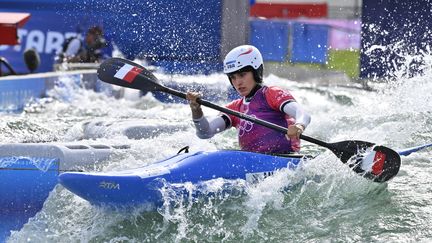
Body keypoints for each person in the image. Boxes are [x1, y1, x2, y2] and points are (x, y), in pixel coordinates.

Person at [186, 45, 311, 154]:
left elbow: (302, 113)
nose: (238, 82)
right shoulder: (234, 108)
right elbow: (205, 133)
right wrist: (196, 109)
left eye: (242, 74)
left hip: (285, 161)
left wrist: (299, 125)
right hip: (251, 163)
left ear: (256, 72)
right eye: (233, 77)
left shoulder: (271, 93)